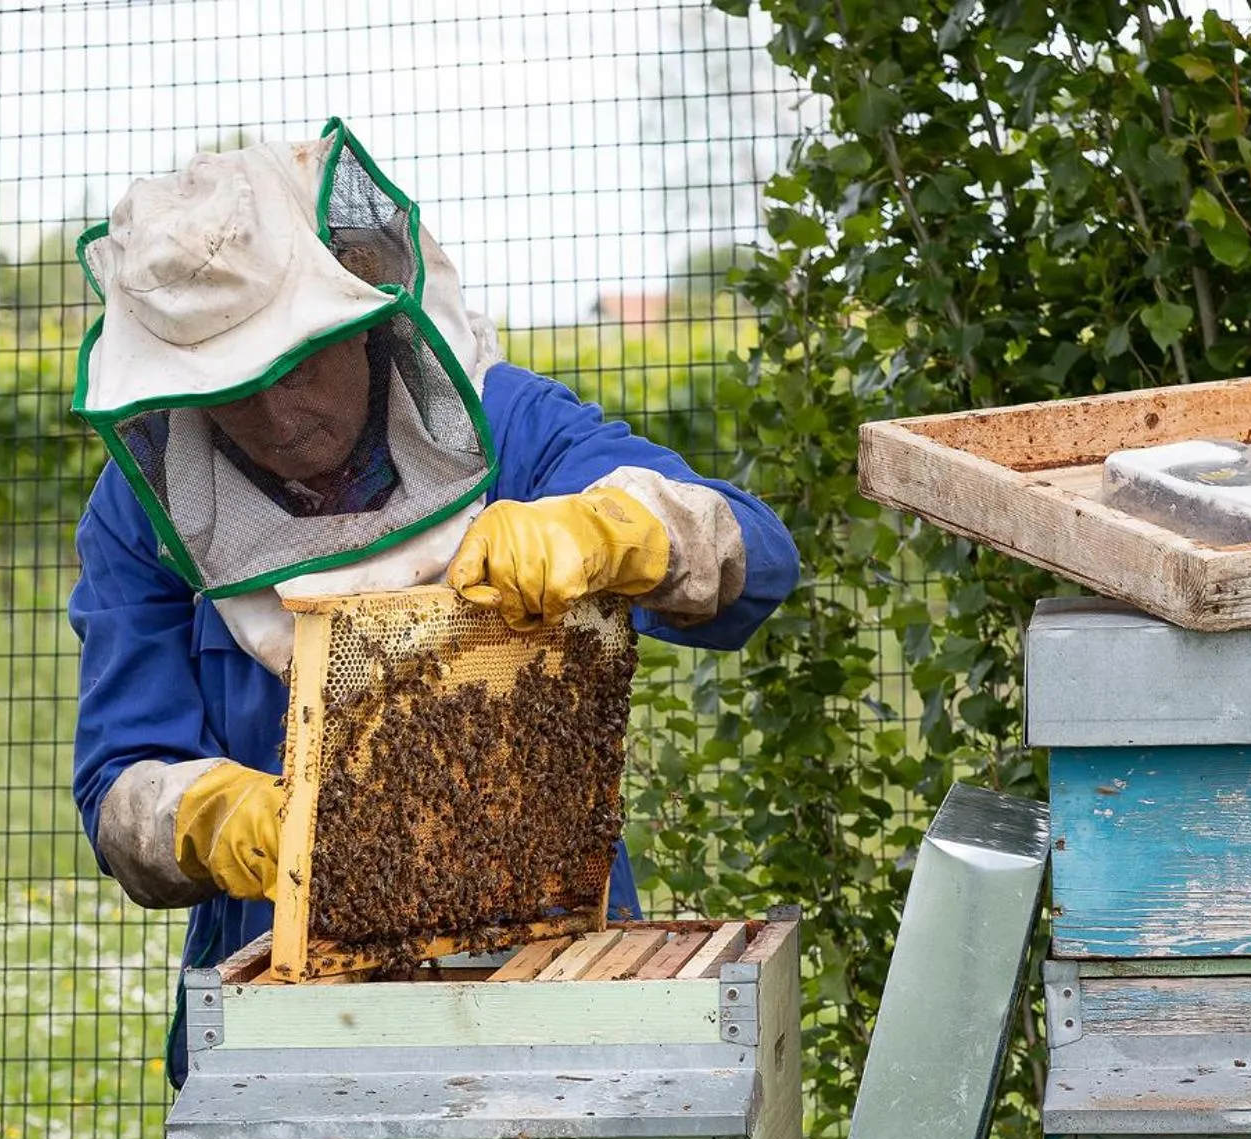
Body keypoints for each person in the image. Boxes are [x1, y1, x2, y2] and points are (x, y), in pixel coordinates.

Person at [68, 121, 799, 1084]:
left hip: (546, 941)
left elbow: (756, 554)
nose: (281, 421)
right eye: (236, 392)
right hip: (281, 985)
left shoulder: (505, 424)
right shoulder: (143, 510)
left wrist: (610, 534)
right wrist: (214, 818)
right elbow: (118, 784)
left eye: (298, 366)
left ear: (365, 317)